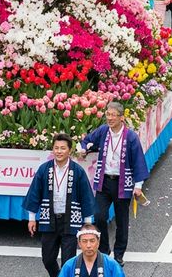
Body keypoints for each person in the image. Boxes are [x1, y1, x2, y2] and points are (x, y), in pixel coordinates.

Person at [79, 102, 149, 267]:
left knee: (122, 220)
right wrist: (83, 148)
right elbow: (87, 140)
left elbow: (139, 161)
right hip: (104, 181)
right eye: (107, 114)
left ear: (121, 117)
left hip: (122, 182)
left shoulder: (131, 137)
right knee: (99, 216)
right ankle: (104, 251)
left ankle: (119, 254)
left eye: (113, 115)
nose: (109, 118)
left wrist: (138, 186)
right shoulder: (103, 131)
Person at [23, 133, 95, 277]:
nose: (59, 151)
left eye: (63, 148)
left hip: (70, 221)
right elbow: (34, 193)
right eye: (56, 148)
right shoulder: (44, 169)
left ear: (69, 150)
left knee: (68, 261)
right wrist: (32, 218)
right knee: (48, 259)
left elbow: (86, 197)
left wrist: (87, 224)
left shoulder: (77, 171)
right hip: (49, 219)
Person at [58, 224, 124, 277]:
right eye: (84, 241)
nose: (88, 245)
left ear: (98, 242)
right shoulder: (69, 265)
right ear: (79, 243)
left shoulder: (112, 264)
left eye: (92, 241)